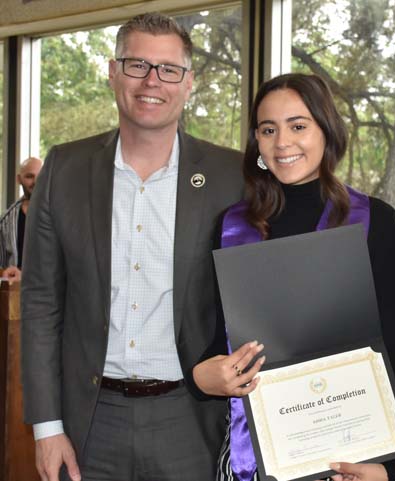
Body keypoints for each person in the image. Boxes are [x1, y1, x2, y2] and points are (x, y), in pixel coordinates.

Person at [21, 12, 260, 481]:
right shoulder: (63, 170)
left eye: (169, 69)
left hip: (190, 420)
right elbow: (41, 304)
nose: (152, 80)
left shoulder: (232, 177)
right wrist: (46, 429)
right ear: (113, 72)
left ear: (188, 83)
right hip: (89, 421)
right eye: (137, 65)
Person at [191, 73, 395, 481]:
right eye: (268, 129)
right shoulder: (232, 226)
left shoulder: (373, 221)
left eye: (298, 126)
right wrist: (202, 375)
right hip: (255, 451)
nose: (282, 143)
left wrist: (388, 466)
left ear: (326, 130)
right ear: (256, 141)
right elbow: (216, 338)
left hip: (346, 456)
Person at [0, 156, 42, 281]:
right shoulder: (5, 221)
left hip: (49, 295)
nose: (36, 181)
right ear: (19, 179)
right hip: (15, 294)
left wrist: (26, 276)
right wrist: (5, 273)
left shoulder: (59, 216)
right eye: (30, 176)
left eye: (40, 176)